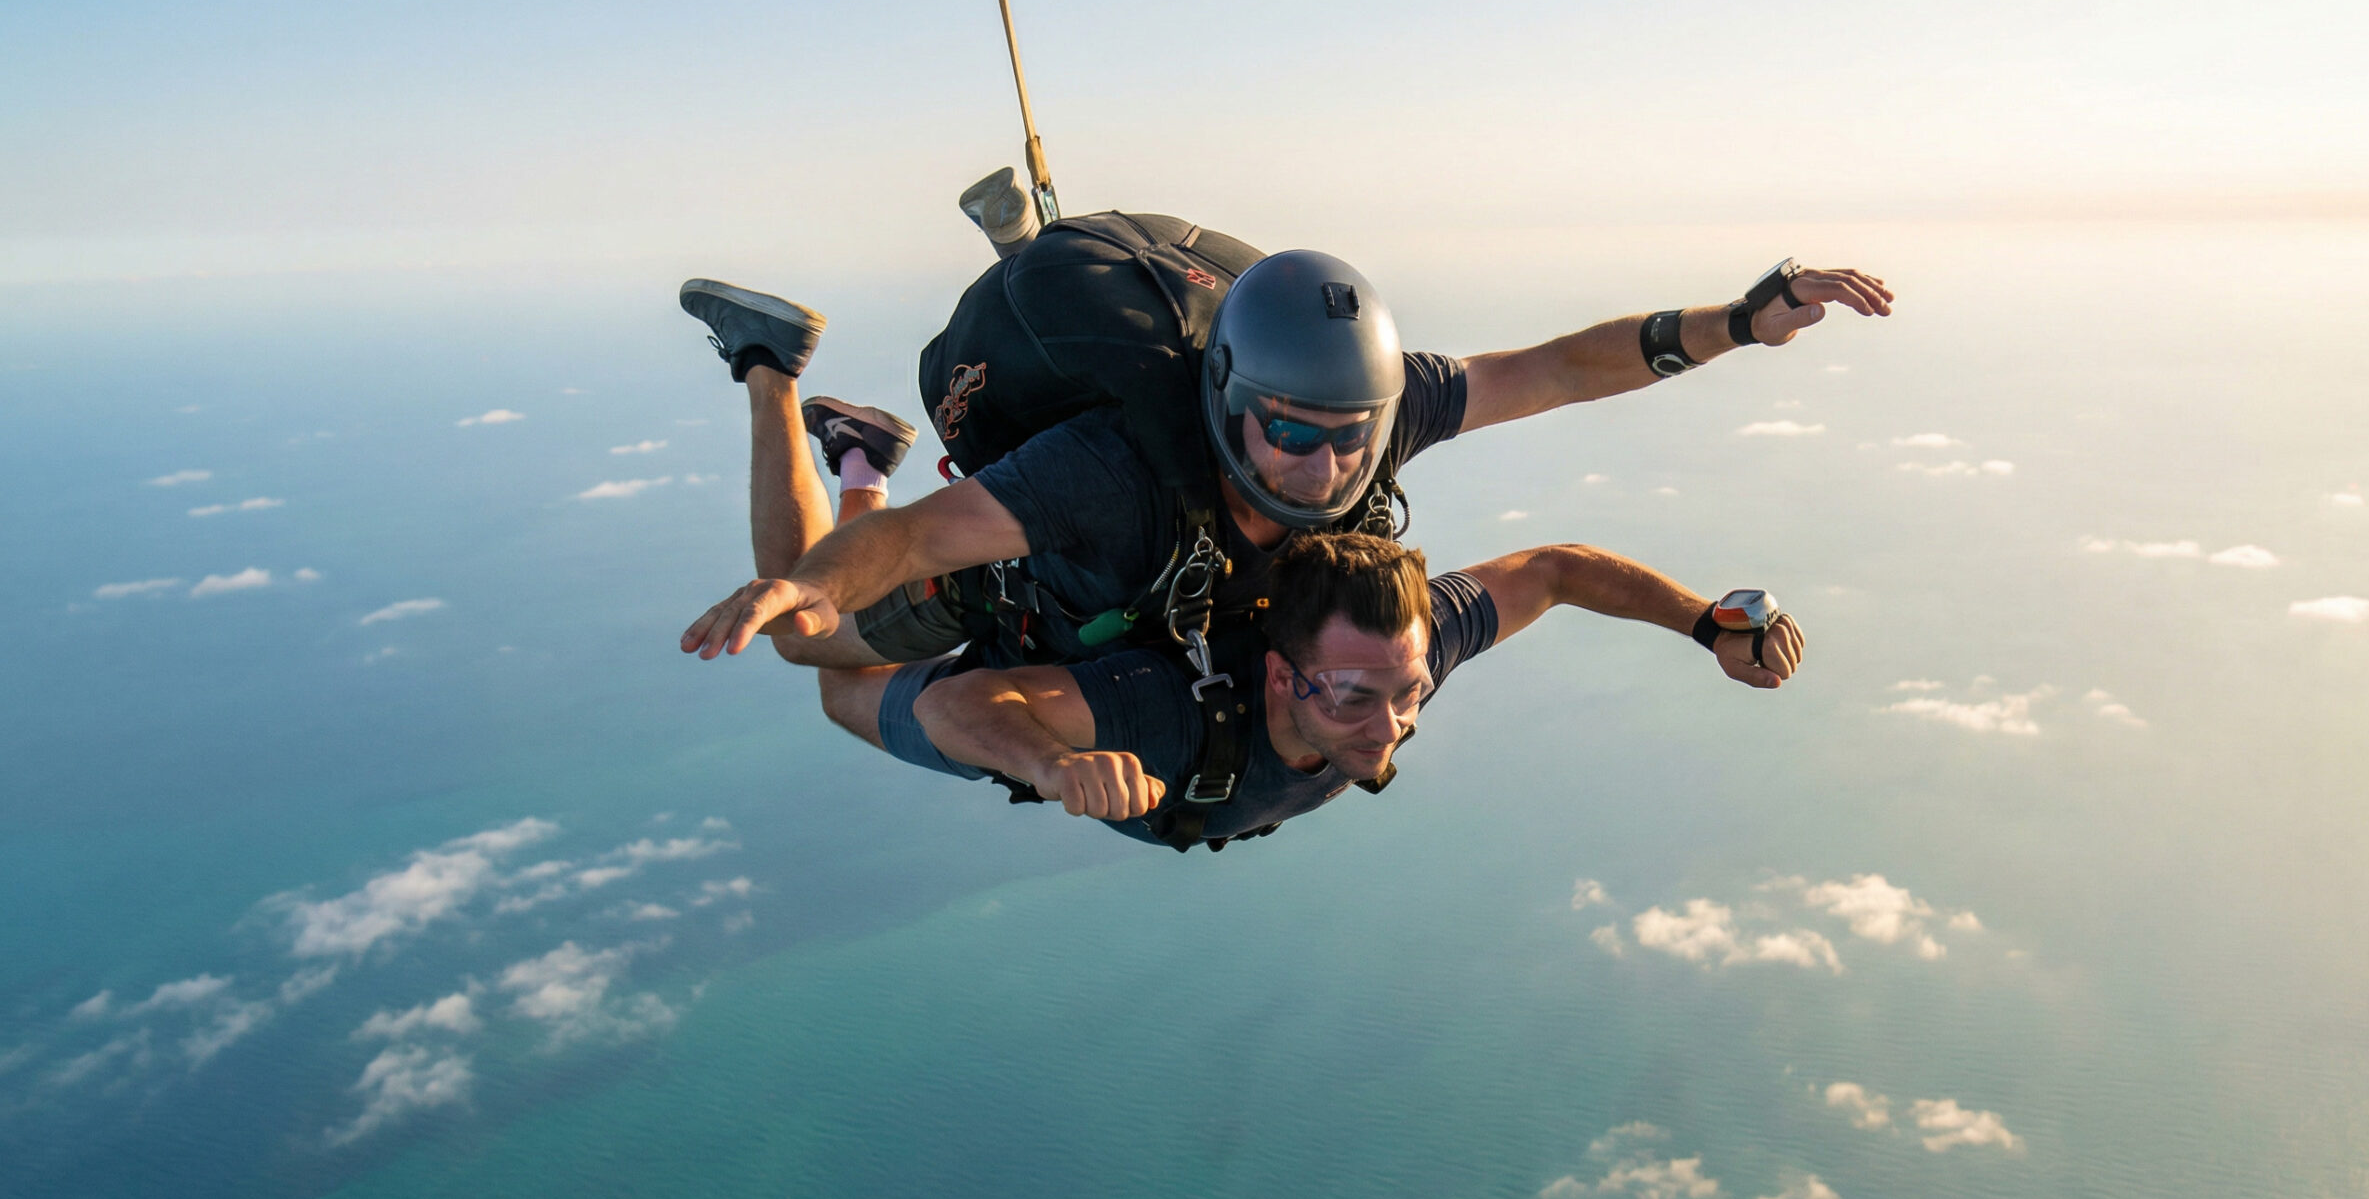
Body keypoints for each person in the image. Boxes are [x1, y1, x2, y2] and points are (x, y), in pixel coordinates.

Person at [673, 246, 1887, 676]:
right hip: (1025, 574)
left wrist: (1740, 320)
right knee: (807, 649)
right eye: (1286, 430)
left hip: (1148, 589)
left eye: (1344, 435)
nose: (1315, 462)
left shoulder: (1382, 404)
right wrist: (818, 586)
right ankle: (774, 366)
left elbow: (1562, 369)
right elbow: (926, 542)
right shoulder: (1114, 465)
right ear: (1224, 397)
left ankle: (858, 447)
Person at [807, 531, 1806, 850]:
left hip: (1170, 780)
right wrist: (1054, 763)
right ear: (1280, 674)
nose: (1392, 723)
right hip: (1077, 701)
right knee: (819, 671)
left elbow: (1553, 572)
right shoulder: (1164, 706)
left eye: (1408, 690)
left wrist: (1703, 625)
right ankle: (777, 377)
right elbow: (955, 706)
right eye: (1352, 699)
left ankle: (858, 457)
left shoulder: (1396, 655)